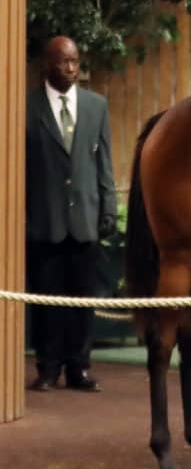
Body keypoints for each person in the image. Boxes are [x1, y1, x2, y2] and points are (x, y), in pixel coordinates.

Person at [25, 36, 117, 392]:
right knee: (46, 300)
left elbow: (103, 163)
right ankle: (47, 369)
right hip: (43, 222)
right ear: (47, 64)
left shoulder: (96, 106)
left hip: (86, 222)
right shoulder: (27, 107)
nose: (72, 69)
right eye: (64, 62)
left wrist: (108, 207)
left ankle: (79, 367)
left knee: (83, 300)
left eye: (75, 61)